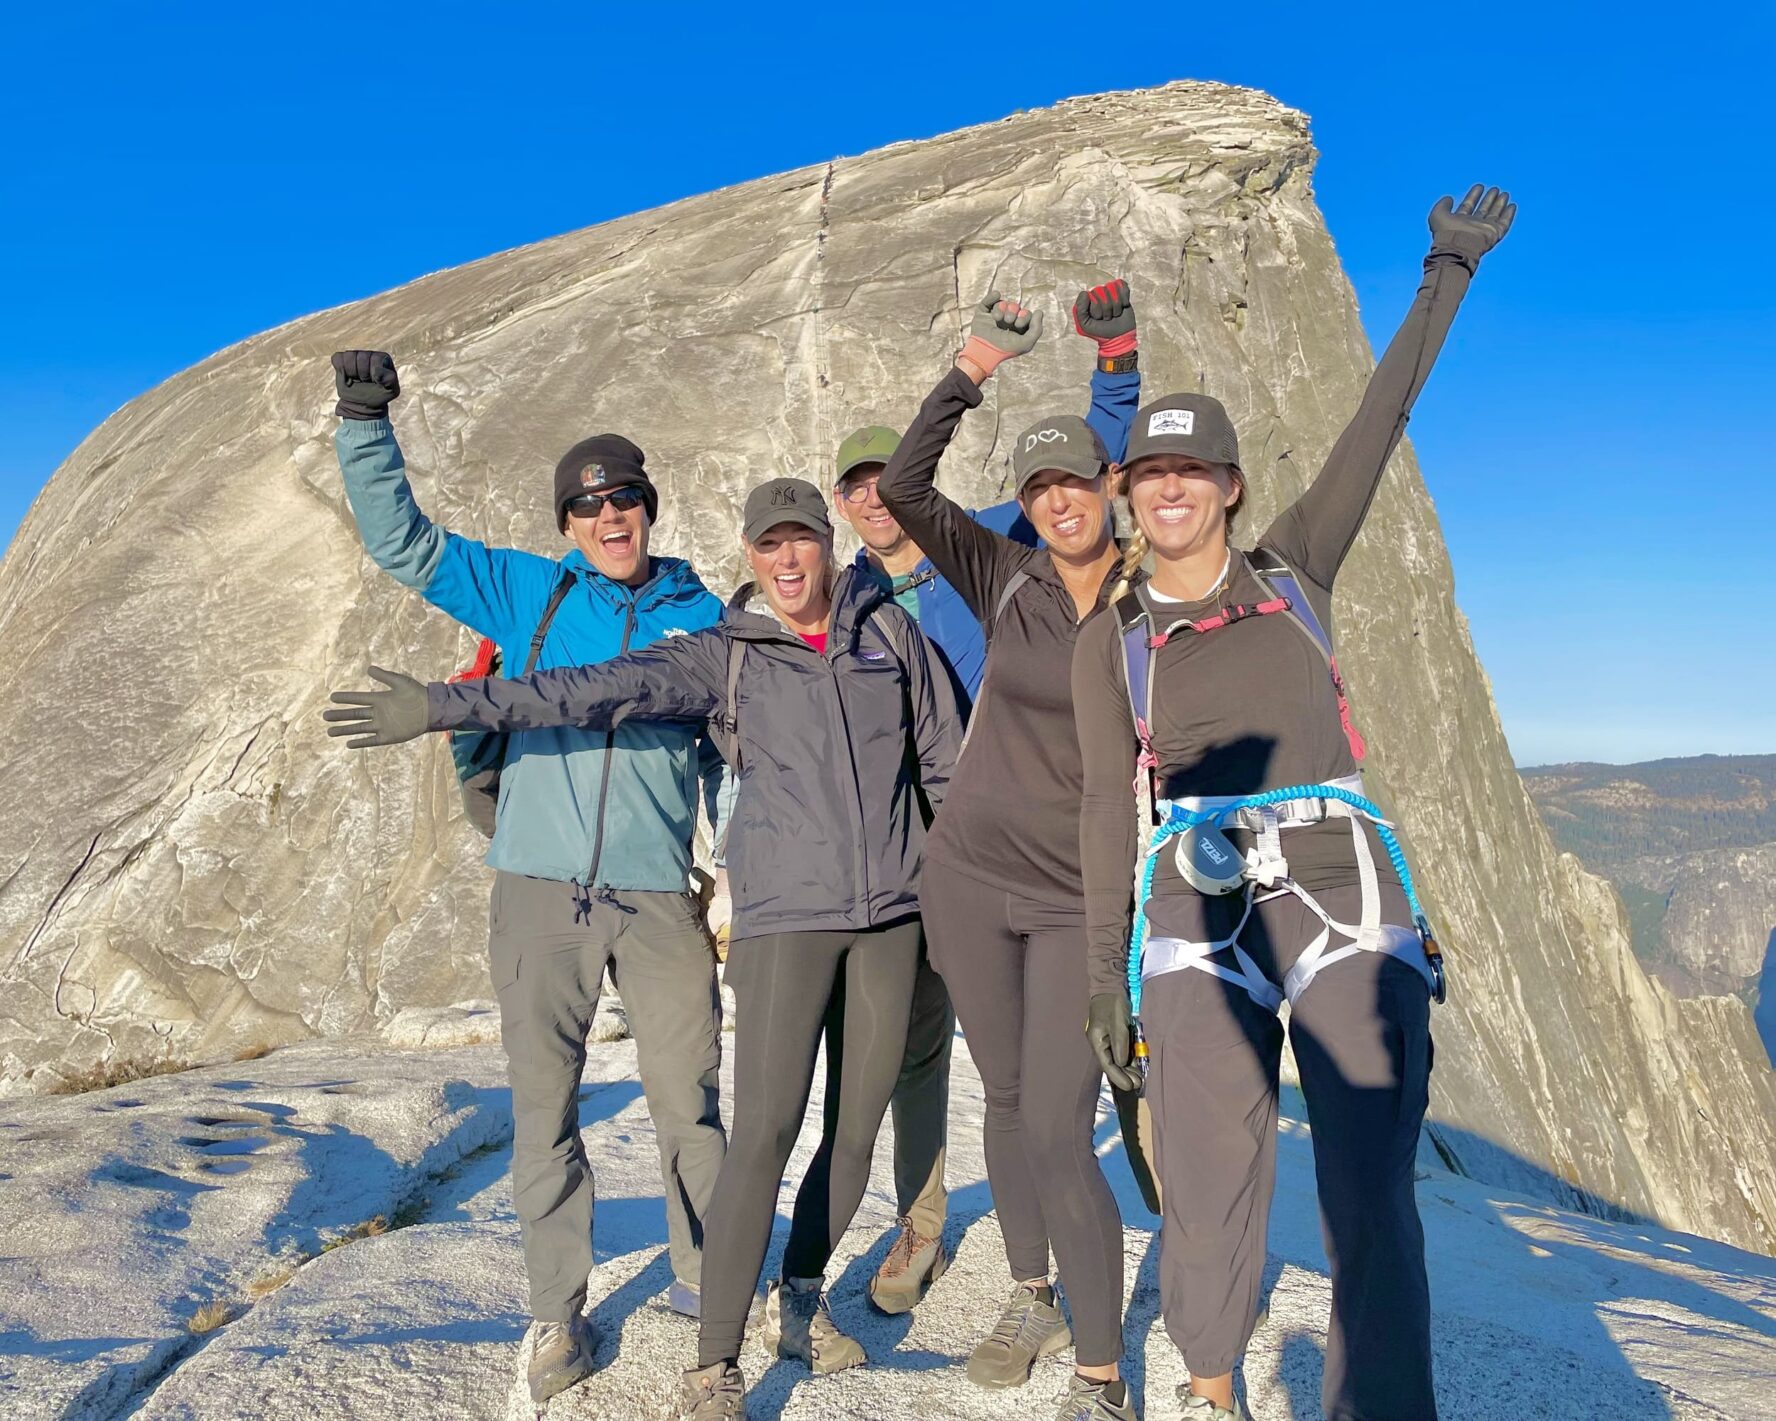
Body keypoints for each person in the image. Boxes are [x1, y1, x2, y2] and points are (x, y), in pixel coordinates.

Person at [326, 476, 963, 1421]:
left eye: (801, 541)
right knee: (761, 1134)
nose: (787, 560)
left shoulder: (888, 633)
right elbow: (592, 690)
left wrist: (967, 901)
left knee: (853, 1130)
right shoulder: (722, 652)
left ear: (828, 545)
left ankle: (797, 1297)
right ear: (751, 556)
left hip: (889, 917)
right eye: (768, 544)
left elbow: (944, 762)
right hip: (787, 918)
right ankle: (711, 1361)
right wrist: (443, 706)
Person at [1074, 186, 1516, 1421]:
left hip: (1337, 878)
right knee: (1211, 1176)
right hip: (1189, 896)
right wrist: (1099, 978)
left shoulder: (1296, 565)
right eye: (1148, 470)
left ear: (1225, 483)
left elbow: (1385, 416)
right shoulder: (1110, 641)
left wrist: (1446, 270)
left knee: (1370, 1181)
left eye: (1191, 469)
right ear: (1131, 492)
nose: (1169, 488)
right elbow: (1109, 814)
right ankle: (1210, 1385)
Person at [323, 351, 729, 1404]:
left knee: (690, 1101)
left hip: (655, 893)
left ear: (649, 507)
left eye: (625, 498)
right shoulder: (528, 591)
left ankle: (709, 1290)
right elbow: (402, 543)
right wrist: (366, 423)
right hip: (540, 892)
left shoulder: (704, 614)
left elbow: (739, 754)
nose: (609, 516)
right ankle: (560, 1313)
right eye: (588, 504)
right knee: (545, 1111)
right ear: (566, 524)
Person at [826, 285, 1142, 1315]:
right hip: (945, 846)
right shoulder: (851, 601)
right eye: (856, 488)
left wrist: (1101, 356)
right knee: (950, 1061)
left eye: (886, 481)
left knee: (1053, 1081)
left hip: (1056, 832)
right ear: (841, 505)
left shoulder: (1000, 552)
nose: (878, 498)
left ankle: (1083, 1268)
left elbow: (1085, 464)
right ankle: (959, 1244)